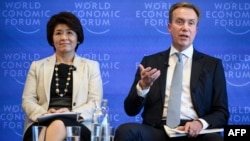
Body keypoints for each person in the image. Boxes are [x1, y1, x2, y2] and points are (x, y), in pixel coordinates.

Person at [114, 2, 229, 141]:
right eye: (179, 22)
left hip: (195, 132)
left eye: (191, 23)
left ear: (196, 30)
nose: (185, 28)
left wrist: (200, 123)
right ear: (169, 27)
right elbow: (130, 110)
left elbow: (221, 112)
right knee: (125, 131)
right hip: (157, 130)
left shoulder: (212, 65)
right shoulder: (150, 62)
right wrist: (143, 87)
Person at [22, 11, 103, 141]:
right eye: (58, 33)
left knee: (58, 124)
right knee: (45, 128)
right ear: (52, 38)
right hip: (41, 120)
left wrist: (70, 114)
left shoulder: (91, 66)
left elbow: (95, 102)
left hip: (78, 123)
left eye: (69, 32)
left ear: (78, 38)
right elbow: (28, 100)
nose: (64, 37)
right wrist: (44, 114)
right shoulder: (37, 66)